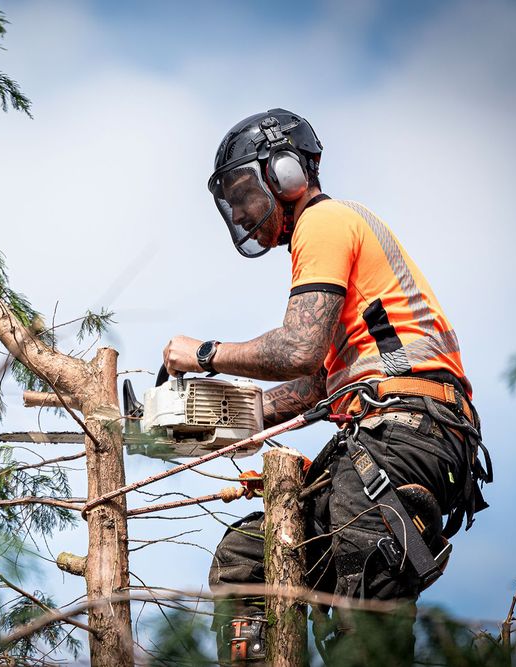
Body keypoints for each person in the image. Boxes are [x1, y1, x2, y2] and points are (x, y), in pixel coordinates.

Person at [162, 109, 491, 664]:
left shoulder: (325, 222)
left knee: (363, 605)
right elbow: (314, 385)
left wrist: (204, 355)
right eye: (234, 199)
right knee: (248, 558)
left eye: (245, 191)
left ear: (287, 172)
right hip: (383, 433)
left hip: (411, 432)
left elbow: (296, 349)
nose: (241, 210)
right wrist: (204, 417)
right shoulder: (334, 272)